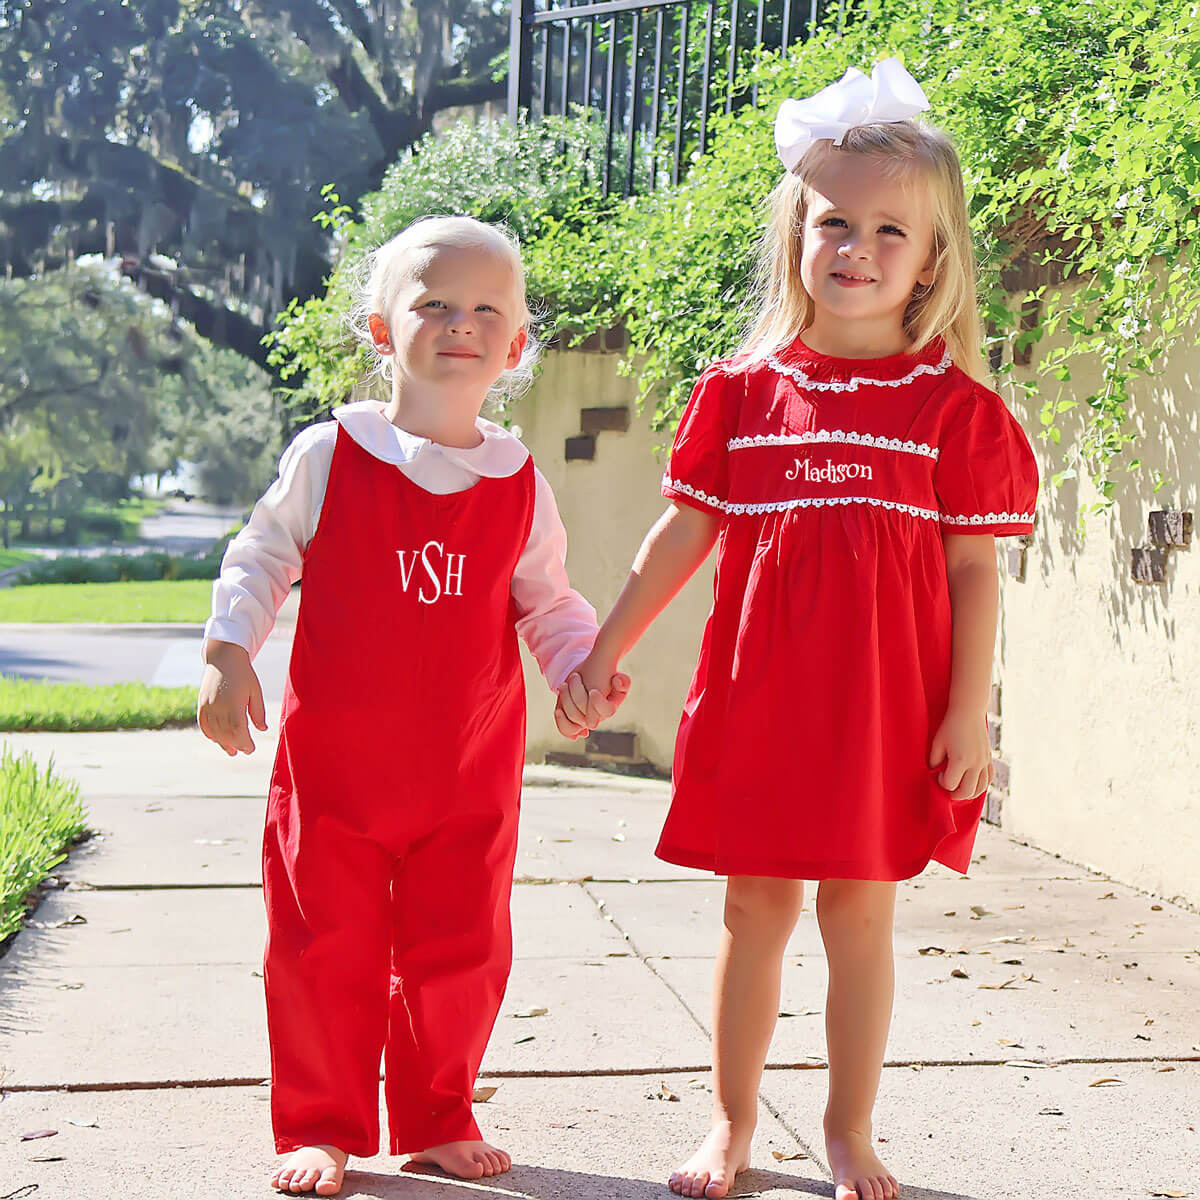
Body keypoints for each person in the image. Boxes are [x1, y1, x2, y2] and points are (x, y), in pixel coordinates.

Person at [557, 59, 1039, 1200]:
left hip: (882, 707)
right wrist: (606, 647)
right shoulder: (742, 392)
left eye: (888, 231)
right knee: (753, 905)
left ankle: (849, 1130)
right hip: (764, 697)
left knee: (858, 912)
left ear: (930, 262)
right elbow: (679, 539)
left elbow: (975, 571)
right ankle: (729, 1127)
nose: (856, 248)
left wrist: (968, 709)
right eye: (834, 222)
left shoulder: (951, 412)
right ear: (797, 235)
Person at [198, 216, 625, 1196]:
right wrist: (229, 654)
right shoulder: (330, 455)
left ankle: (438, 1114)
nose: (460, 323)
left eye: (486, 309)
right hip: (335, 778)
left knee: (461, 953)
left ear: (516, 347)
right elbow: (260, 555)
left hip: (465, 780)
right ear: (383, 329)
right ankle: (321, 1124)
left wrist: (576, 666)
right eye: (433, 303)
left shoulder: (518, 481)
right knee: (323, 950)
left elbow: (549, 600)